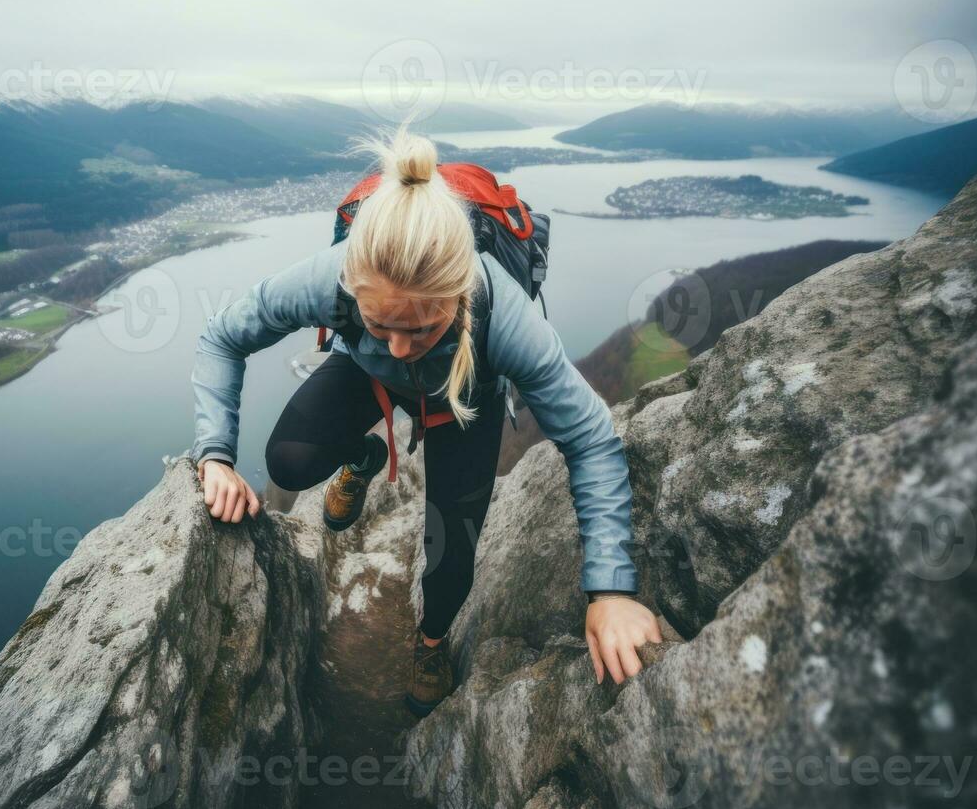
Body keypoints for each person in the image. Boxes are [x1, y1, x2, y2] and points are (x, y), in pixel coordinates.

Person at [189, 122, 661, 717]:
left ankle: (431, 642)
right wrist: (215, 456)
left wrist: (611, 588)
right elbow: (222, 337)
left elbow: (591, 439)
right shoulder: (331, 277)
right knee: (288, 460)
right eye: (379, 321)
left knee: (450, 558)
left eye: (420, 328)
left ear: (460, 294)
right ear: (353, 285)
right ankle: (364, 458)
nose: (401, 344)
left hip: (466, 397)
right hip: (367, 378)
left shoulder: (501, 315)